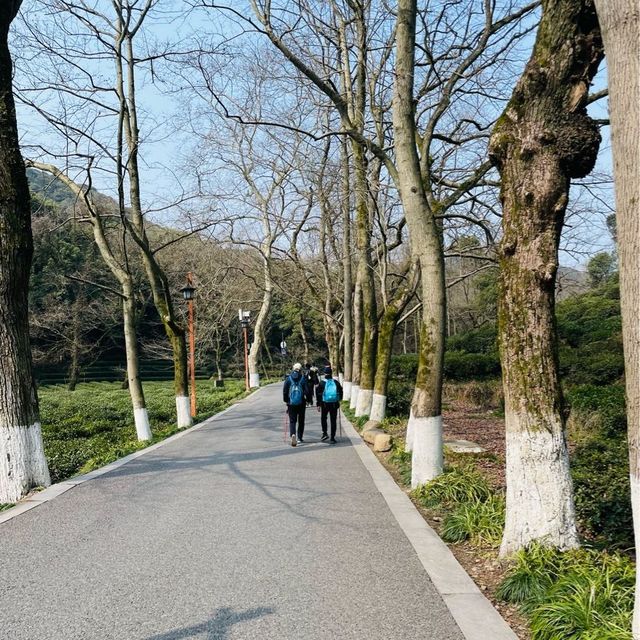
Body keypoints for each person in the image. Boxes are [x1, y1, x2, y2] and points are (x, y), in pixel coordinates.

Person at [283, 362, 313, 446]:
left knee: (292, 421)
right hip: (301, 403)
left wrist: (286, 400)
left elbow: (285, 391)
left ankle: (293, 434)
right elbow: (307, 391)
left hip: (291, 403)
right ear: (300, 370)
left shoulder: (288, 379)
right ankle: (300, 437)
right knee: (301, 420)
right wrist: (309, 400)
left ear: (293, 369)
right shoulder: (303, 378)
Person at [316, 365, 343, 444]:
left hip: (324, 404)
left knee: (323, 418)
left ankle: (325, 433)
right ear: (331, 373)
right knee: (333, 420)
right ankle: (332, 438)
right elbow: (341, 392)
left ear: (324, 373)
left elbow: (318, 394)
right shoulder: (336, 382)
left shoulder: (322, 383)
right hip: (334, 404)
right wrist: (339, 399)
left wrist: (318, 404)